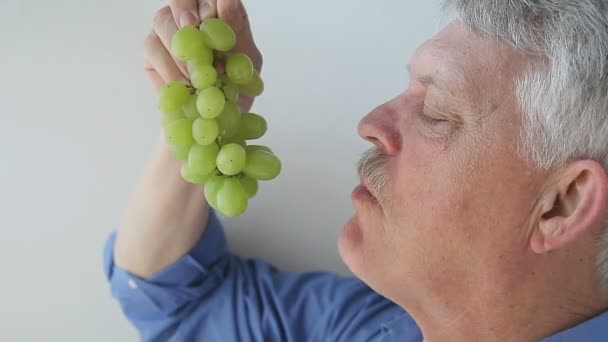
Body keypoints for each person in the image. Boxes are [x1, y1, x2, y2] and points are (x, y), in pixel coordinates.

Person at [103, 0, 608, 341]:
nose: (370, 124)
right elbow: (172, 298)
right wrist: (208, 116)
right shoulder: (373, 326)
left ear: (561, 204)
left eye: (437, 111)